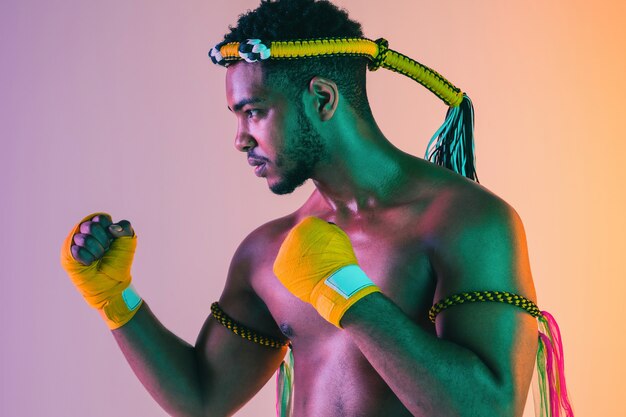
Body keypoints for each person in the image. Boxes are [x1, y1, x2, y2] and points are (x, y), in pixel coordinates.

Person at [60, 1, 552, 416]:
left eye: (254, 111)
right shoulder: (268, 251)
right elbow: (203, 397)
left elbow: (490, 408)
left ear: (321, 98)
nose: (239, 139)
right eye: (236, 116)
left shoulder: (465, 221)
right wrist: (116, 300)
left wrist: (350, 296)